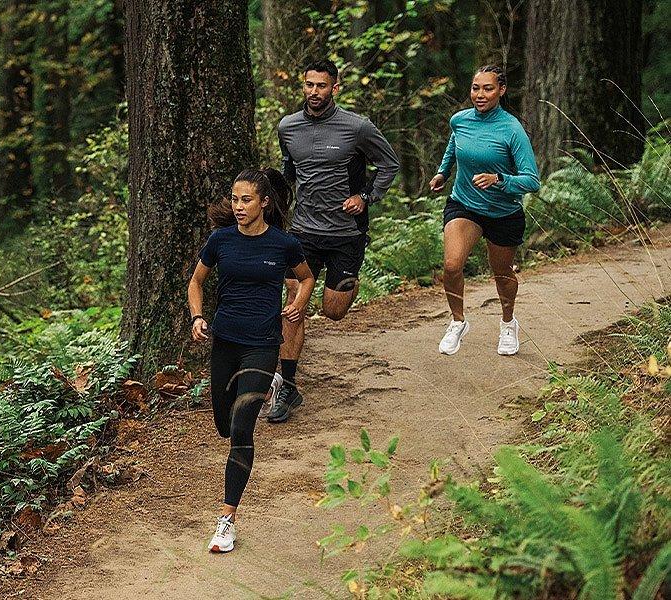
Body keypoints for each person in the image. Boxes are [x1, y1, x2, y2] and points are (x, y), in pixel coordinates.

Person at [187, 168, 315, 553]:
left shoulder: (283, 244)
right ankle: (267, 386)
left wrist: (297, 304)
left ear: (264, 203)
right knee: (224, 425)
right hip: (225, 340)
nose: (238, 207)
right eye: (234, 199)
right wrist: (196, 316)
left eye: (246, 200)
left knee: (242, 429)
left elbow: (306, 278)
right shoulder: (220, 240)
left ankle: (226, 519)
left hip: (262, 343)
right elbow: (196, 282)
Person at [271, 59, 401, 423]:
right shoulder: (288, 127)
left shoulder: (357, 127)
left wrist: (366, 197)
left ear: (335, 88)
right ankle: (289, 387)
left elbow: (389, 165)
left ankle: (344, 283)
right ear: (303, 86)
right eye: (309, 85)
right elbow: (288, 173)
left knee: (333, 310)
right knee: (294, 305)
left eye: (322, 86)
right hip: (303, 231)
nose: (314, 92)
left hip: (346, 233)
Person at [428, 64, 540, 356]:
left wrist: (499, 179)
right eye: (475, 88)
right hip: (464, 204)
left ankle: (507, 323)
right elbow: (454, 145)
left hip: (503, 212)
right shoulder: (460, 120)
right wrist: (443, 172)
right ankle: (458, 321)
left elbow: (532, 180)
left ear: (501, 91)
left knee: (501, 272)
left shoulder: (512, 130)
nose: (480, 94)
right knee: (452, 265)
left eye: (488, 88)